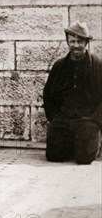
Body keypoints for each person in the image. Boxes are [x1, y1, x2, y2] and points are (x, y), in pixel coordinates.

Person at [43, 21, 101, 164]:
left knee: (84, 159)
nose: (76, 45)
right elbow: (48, 94)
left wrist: (96, 120)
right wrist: (55, 118)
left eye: (79, 41)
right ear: (67, 42)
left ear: (86, 42)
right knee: (53, 156)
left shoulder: (98, 65)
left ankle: (94, 142)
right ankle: (73, 143)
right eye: (72, 41)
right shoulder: (59, 66)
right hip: (64, 118)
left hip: (88, 120)